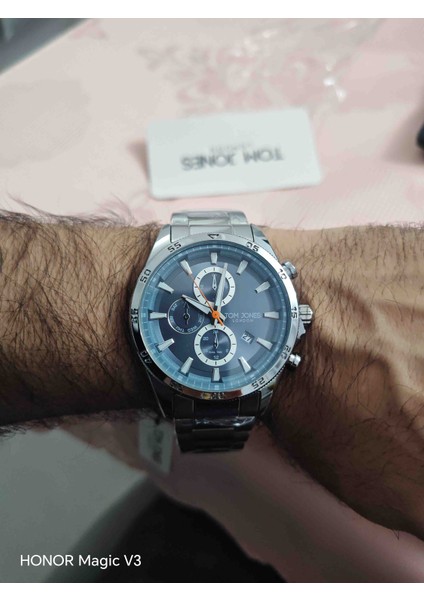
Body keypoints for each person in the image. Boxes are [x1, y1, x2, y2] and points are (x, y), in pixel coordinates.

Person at [0, 211, 423, 543]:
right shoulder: (157, 312)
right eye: (213, 313)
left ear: (299, 317)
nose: (217, 317)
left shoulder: (278, 317)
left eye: (217, 314)